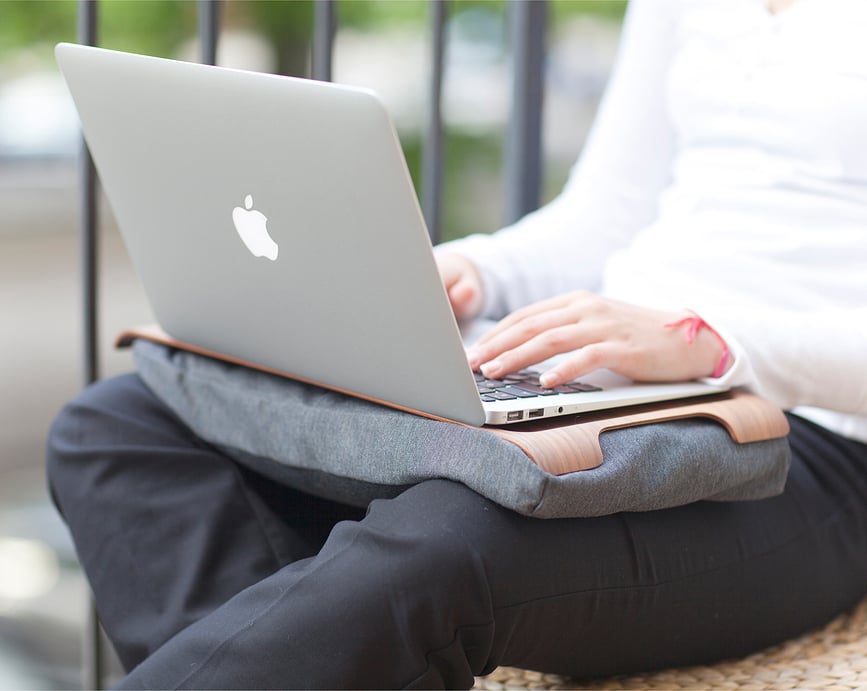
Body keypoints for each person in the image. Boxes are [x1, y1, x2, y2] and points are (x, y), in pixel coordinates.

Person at [47, 0, 867, 688]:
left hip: (805, 443)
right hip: (600, 385)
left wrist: (719, 344)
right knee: (120, 425)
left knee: (446, 539)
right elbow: (607, 211)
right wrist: (465, 269)